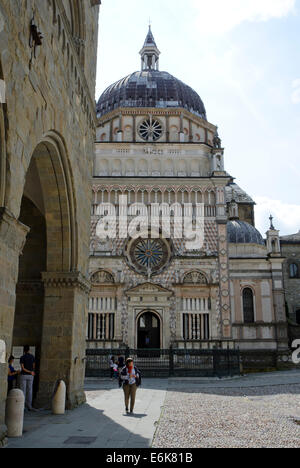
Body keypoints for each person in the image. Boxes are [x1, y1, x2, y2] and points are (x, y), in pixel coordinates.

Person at [20, 345, 36, 411]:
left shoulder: (22, 357)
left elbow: (22, 368)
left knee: (23, 390)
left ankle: (22, 406)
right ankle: (29, 406)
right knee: (30, 390)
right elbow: (34, 366)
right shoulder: (32, 357)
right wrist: (31, 372)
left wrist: (28, 371)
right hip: (30, 375)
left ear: (24, 350)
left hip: (23, 375)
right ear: (29, 350)